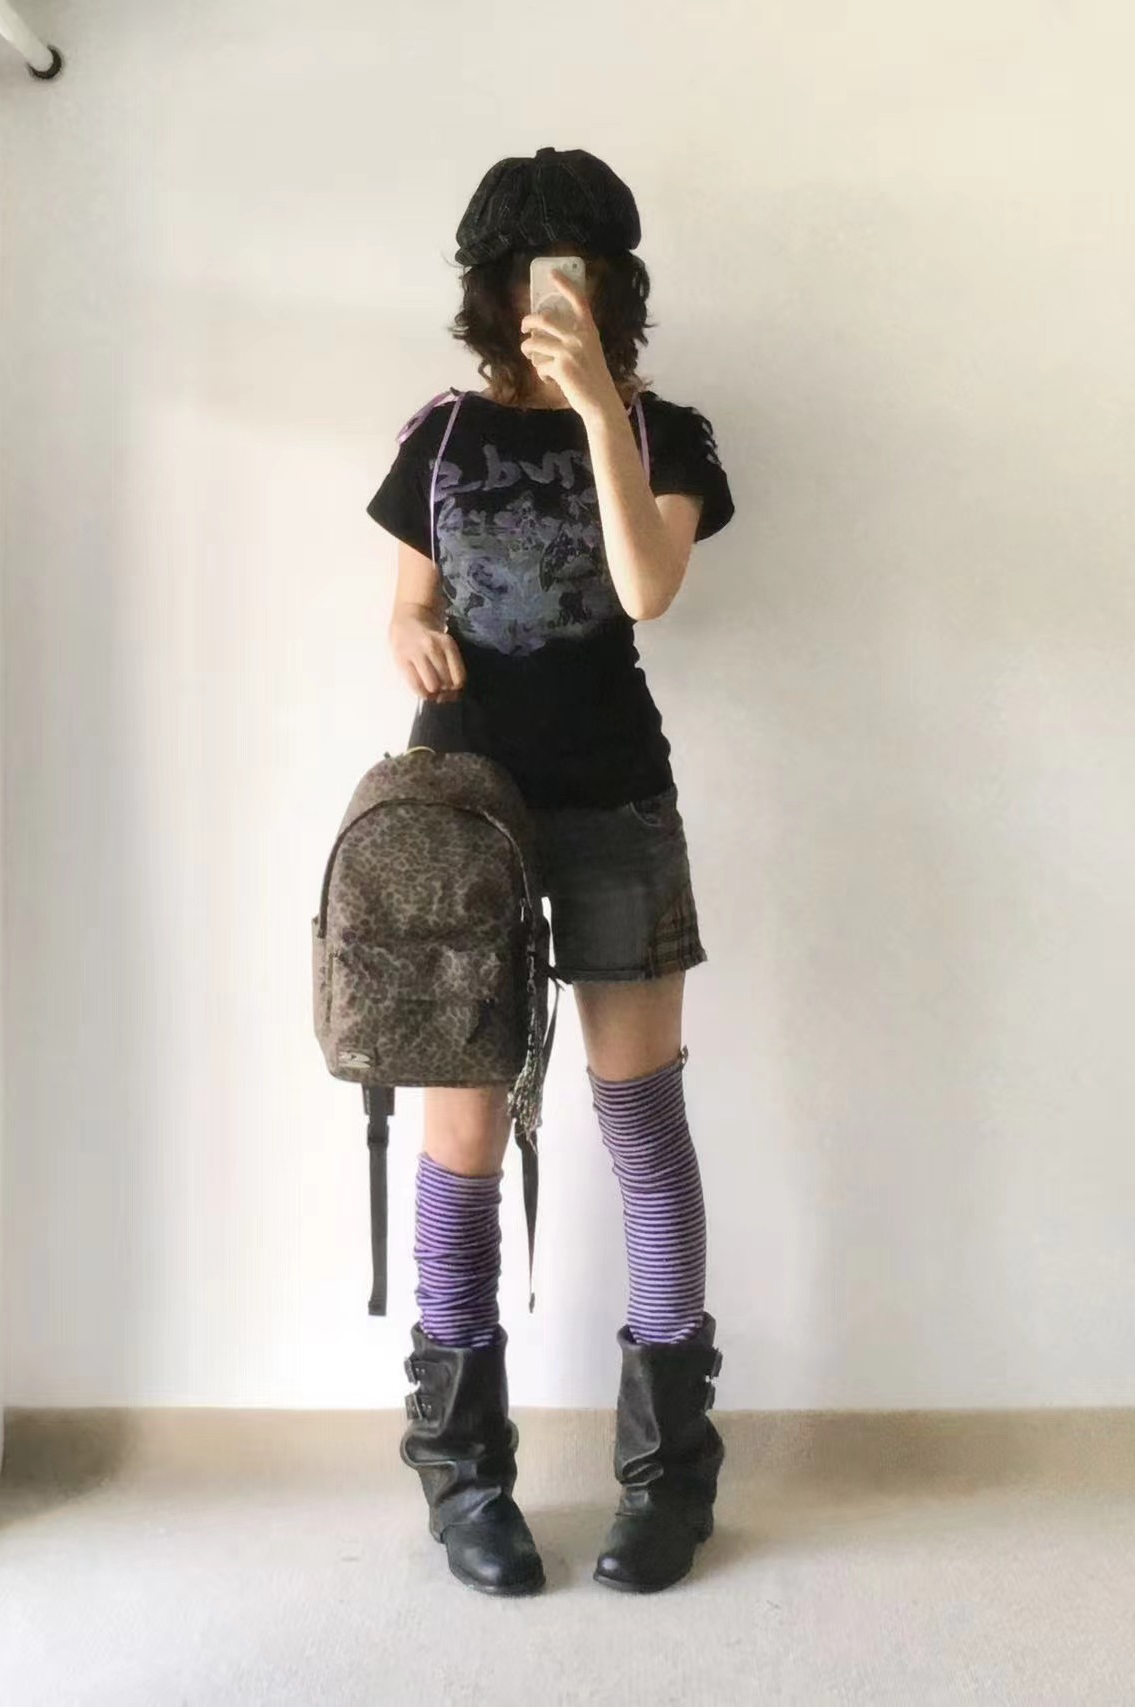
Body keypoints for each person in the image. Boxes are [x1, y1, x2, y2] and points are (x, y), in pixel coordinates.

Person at [364, 146, 735, 1597]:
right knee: (460, 1135)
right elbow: (409, 603)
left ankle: (670, 1476)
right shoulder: (440, 433)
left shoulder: (666, 432)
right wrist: (409, 634)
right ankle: (464, 1476)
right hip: (457, 811)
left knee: (641, 1121)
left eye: (570, 274)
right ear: (487, 290)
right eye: (521, 276)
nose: (544, 298)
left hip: (613, 798)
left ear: (613, 288)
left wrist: (593, 409)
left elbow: (648, 587)